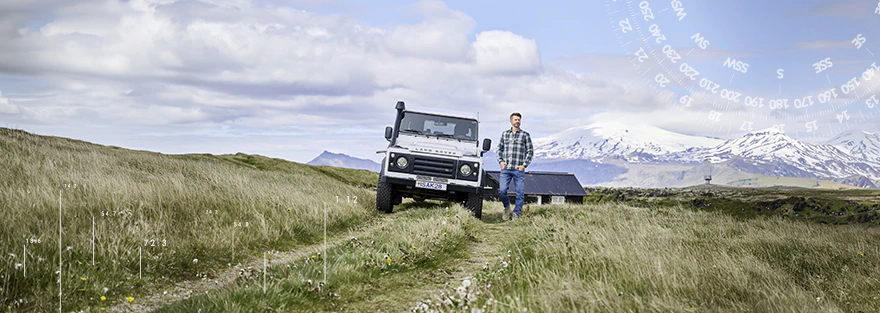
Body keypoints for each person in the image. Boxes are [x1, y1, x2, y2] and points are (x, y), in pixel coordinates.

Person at [496, 112, 533, 220]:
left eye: (519, 120)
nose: (517, 121)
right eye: (515, 119)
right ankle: (507, 208)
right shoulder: (504, 134)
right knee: (502, 191)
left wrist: (524, 165)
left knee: (520, 193)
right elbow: (499, 149)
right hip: (506, 169)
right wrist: (500, 161)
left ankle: (516, 214)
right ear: (511, 121)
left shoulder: (525, 135)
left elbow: (530, 151)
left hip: (518, 169)